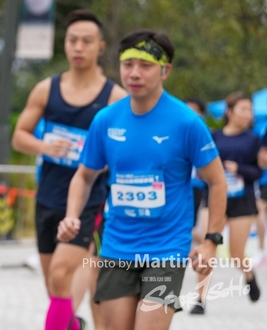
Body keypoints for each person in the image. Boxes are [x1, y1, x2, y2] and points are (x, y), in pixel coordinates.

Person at [59, 29, 227, 330]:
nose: (134, 73)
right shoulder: (106, 120)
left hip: (167, 249)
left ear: (165, 71)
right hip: (117, 247)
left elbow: (217, 181)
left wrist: (211, 241)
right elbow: (84, 176)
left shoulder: (187, 122)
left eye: (145, 66)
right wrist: (71, 215)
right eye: (128, 65)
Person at [12, 10, 126, 330]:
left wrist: (97, 159)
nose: (78, 47)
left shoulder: (114, 97)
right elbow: (19, 136)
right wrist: (45, 147)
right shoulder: (46, 89)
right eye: (72, 40)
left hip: (89, 200)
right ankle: (74, 325)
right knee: (54, 286)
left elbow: (126, 149)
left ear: (100, 46)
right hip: (48, 196)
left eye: (86, 41)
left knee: (62, 275)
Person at [191, 92, 261, 314]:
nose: (248, 114)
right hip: (214, 199)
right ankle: (200, 299)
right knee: (207, 247)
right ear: (229, 112)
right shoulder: (214, 137)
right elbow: (202, 166)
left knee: (236, 253)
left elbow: (258, 172)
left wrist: (238, 169)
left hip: (242, 201)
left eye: (250, 110)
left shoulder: (253, 139)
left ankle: (249, 275)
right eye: (243, 109)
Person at [184, 97, 209, 244]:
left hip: (198, 186)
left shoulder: (205, 133)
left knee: (192, 227)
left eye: (194, 110)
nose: (190, 113)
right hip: (179, 185)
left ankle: (206, 244)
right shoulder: (175, 131)